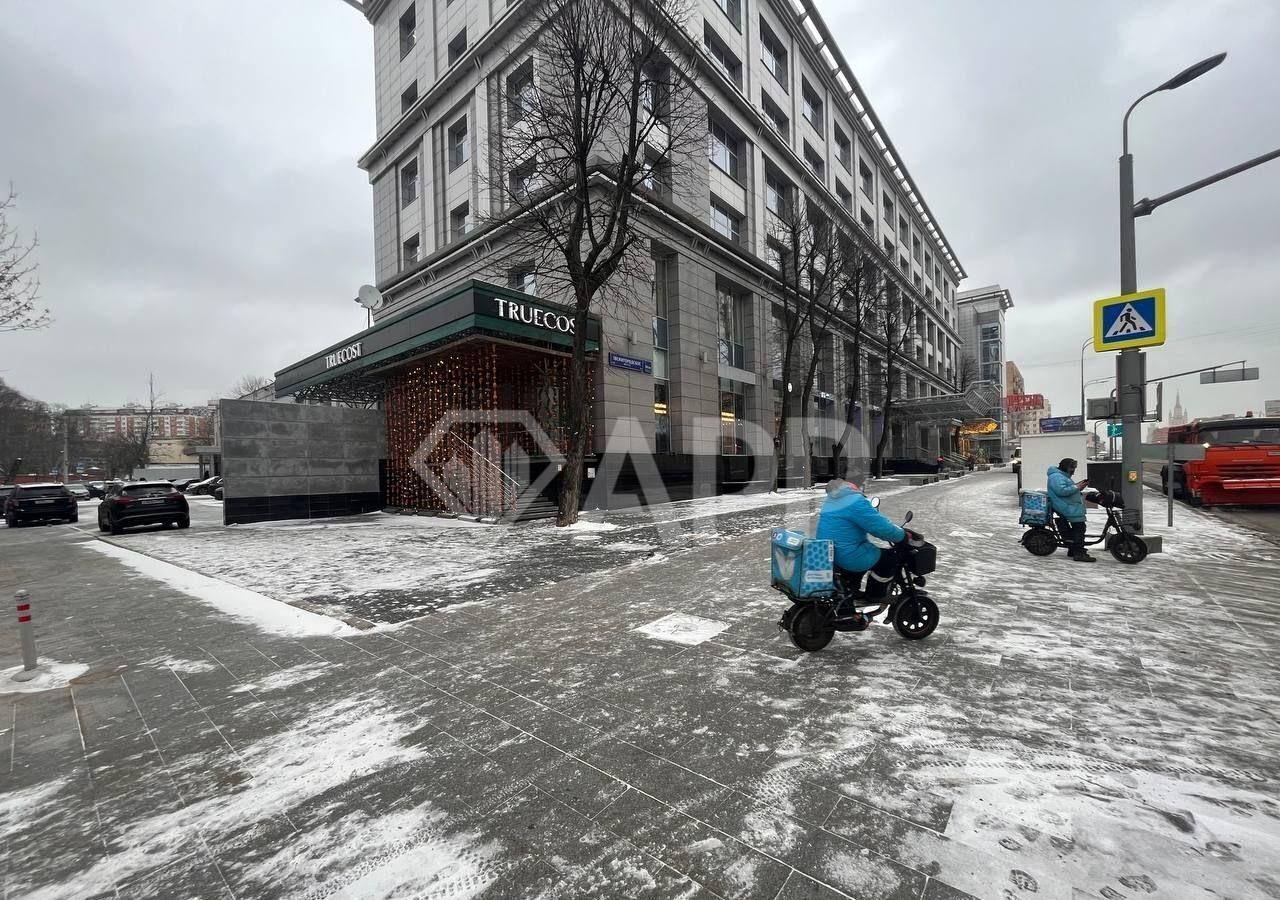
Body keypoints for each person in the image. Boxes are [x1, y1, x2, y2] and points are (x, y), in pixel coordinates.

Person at [815, 479, 908, 613]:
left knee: (866, 552)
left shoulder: (832, 499)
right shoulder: (854, 501)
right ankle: (876, 594)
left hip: (830, 552)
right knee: (889, 558)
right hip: (847, 554)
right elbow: (880, 527)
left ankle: (852, 591)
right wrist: (902, 536)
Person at [1047, 458, 1094, 562]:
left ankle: (1073, 549)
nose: (1073, 470)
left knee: (1078, 527)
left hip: (1068, 506)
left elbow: (1068, 488)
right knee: (1079, 527)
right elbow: (1061, 491)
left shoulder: (1061, 476)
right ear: (1065, 467)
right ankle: (1079, 553)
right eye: (1072, 468)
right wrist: (1077, 487)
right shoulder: (1056, 477)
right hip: (1066, 506)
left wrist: (1079, 486)